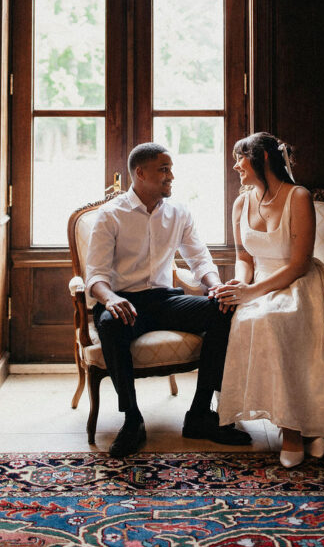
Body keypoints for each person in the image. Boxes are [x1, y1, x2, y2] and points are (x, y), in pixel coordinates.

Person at [86, 141, 252, 457]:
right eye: (164, 169)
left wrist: (215, 286)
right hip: (124, 302)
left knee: (224, 308)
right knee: (110, 324)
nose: (171, 176)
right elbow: (95, 275)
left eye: (171, 169)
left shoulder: (178, 212)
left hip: (163, 301)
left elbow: (199, 258)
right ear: (140, 173)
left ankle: (201, 413)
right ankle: (132, 419)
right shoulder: (110, 215)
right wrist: (109, 300)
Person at [213, 132, 324, 467]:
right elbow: (245, 258)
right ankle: (305, 429)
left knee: (272, 320)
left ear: (263, 158)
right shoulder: (241, 203)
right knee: (244, 317)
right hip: (260, 282)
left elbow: (299, 264)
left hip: (300, 284)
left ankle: (292, 432)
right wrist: (239, 283)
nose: (236, 165)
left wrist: (251, 293)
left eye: (241, 157)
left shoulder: (298, 196)